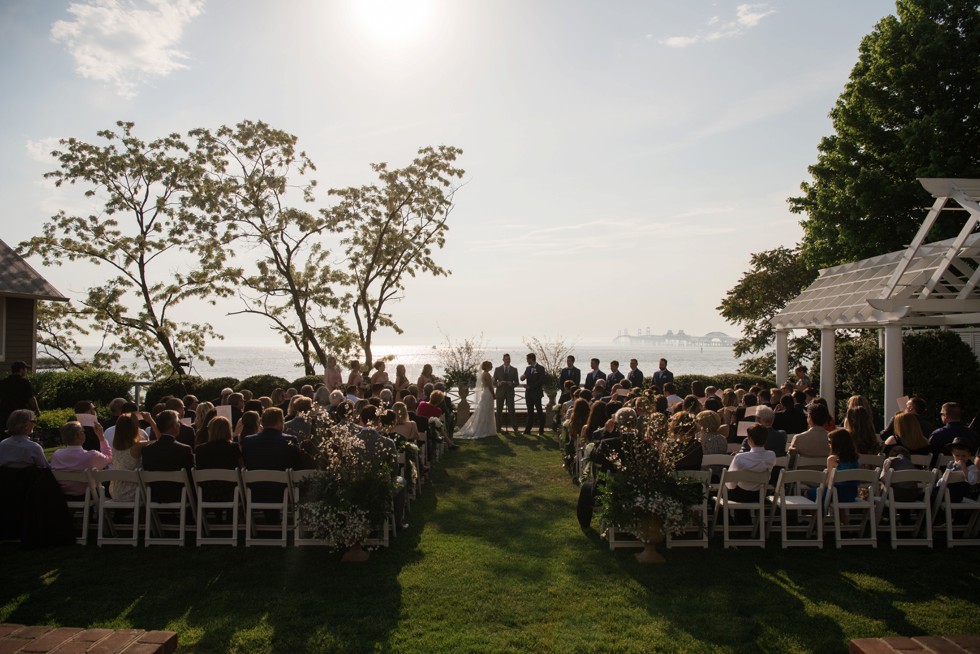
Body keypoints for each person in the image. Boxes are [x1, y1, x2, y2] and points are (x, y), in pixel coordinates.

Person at [140, 409, 195, 503]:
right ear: (174, 426)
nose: (179, 425)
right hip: (180, 496)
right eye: (178, 422)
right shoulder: (184, 450)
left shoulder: (147, 450)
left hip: (155, 496)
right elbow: (191, 476)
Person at [51, 421, 112, 497]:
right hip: (86, 496)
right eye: (83, 431)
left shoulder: (57, 455)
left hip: (63, 497)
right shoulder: (91, 456)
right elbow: (109, 457)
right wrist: (101, 437)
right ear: (80, 435)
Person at [807, 428, 860, 505]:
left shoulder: (833, 459)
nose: (828, 444)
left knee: (809, 493)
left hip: (835, 494)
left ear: (836, 444)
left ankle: (819, 516)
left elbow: (828, 482)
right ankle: (842, 517)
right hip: (851, 495)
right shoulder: (854, 460)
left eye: (829, 442)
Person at [109, 413, 153, 501]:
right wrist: (151, 421)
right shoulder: (137, 446)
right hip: (133, 492)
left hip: (116, 491)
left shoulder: (114, 446)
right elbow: (162, 440)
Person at [456, 361, 497, 439]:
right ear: (488, 366)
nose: (492, 366)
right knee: (486, 411)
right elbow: (490, 386)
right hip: (488, 393)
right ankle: (485, 430)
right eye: (491, 365)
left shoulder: (482, 374)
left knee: (485, 410)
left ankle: (487, 429)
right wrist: (493, 395)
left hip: (485, 392)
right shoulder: (487, 375)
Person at [0, 362, 39, 433]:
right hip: (21, 413)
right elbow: (31, 398)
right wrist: (37, 410)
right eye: (25, 369)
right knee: (20, 432)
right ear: (21, 370)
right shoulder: (25, 382)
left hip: (5, 412)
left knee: (5, 433)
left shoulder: (3, 382)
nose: (26, 371)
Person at [493, 354, 519, 435]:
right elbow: (494, 382)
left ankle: (515, 428)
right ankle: (498, 428)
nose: (507, 360)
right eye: (506, 359)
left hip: (510, 393)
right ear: (503, 360)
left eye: (509, 359)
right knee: (499, 411)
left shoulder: (514, 370)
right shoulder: (497, 369)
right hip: (500, 392)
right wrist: (498, 383)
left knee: (512, 410)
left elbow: (517, 382)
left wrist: (512, 384)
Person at [521, 353, 546, 436]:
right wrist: (522, 377)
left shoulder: (541, 368)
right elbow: (523, 377)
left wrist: (530, 387)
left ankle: (541, 430)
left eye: (527, 359)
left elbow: (541, 381)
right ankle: (527, 430)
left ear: (531, 359)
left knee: (539, 412)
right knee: (529, 412)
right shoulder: (528, 368)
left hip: (537, 393)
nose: (526, 361)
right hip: (528, 394)